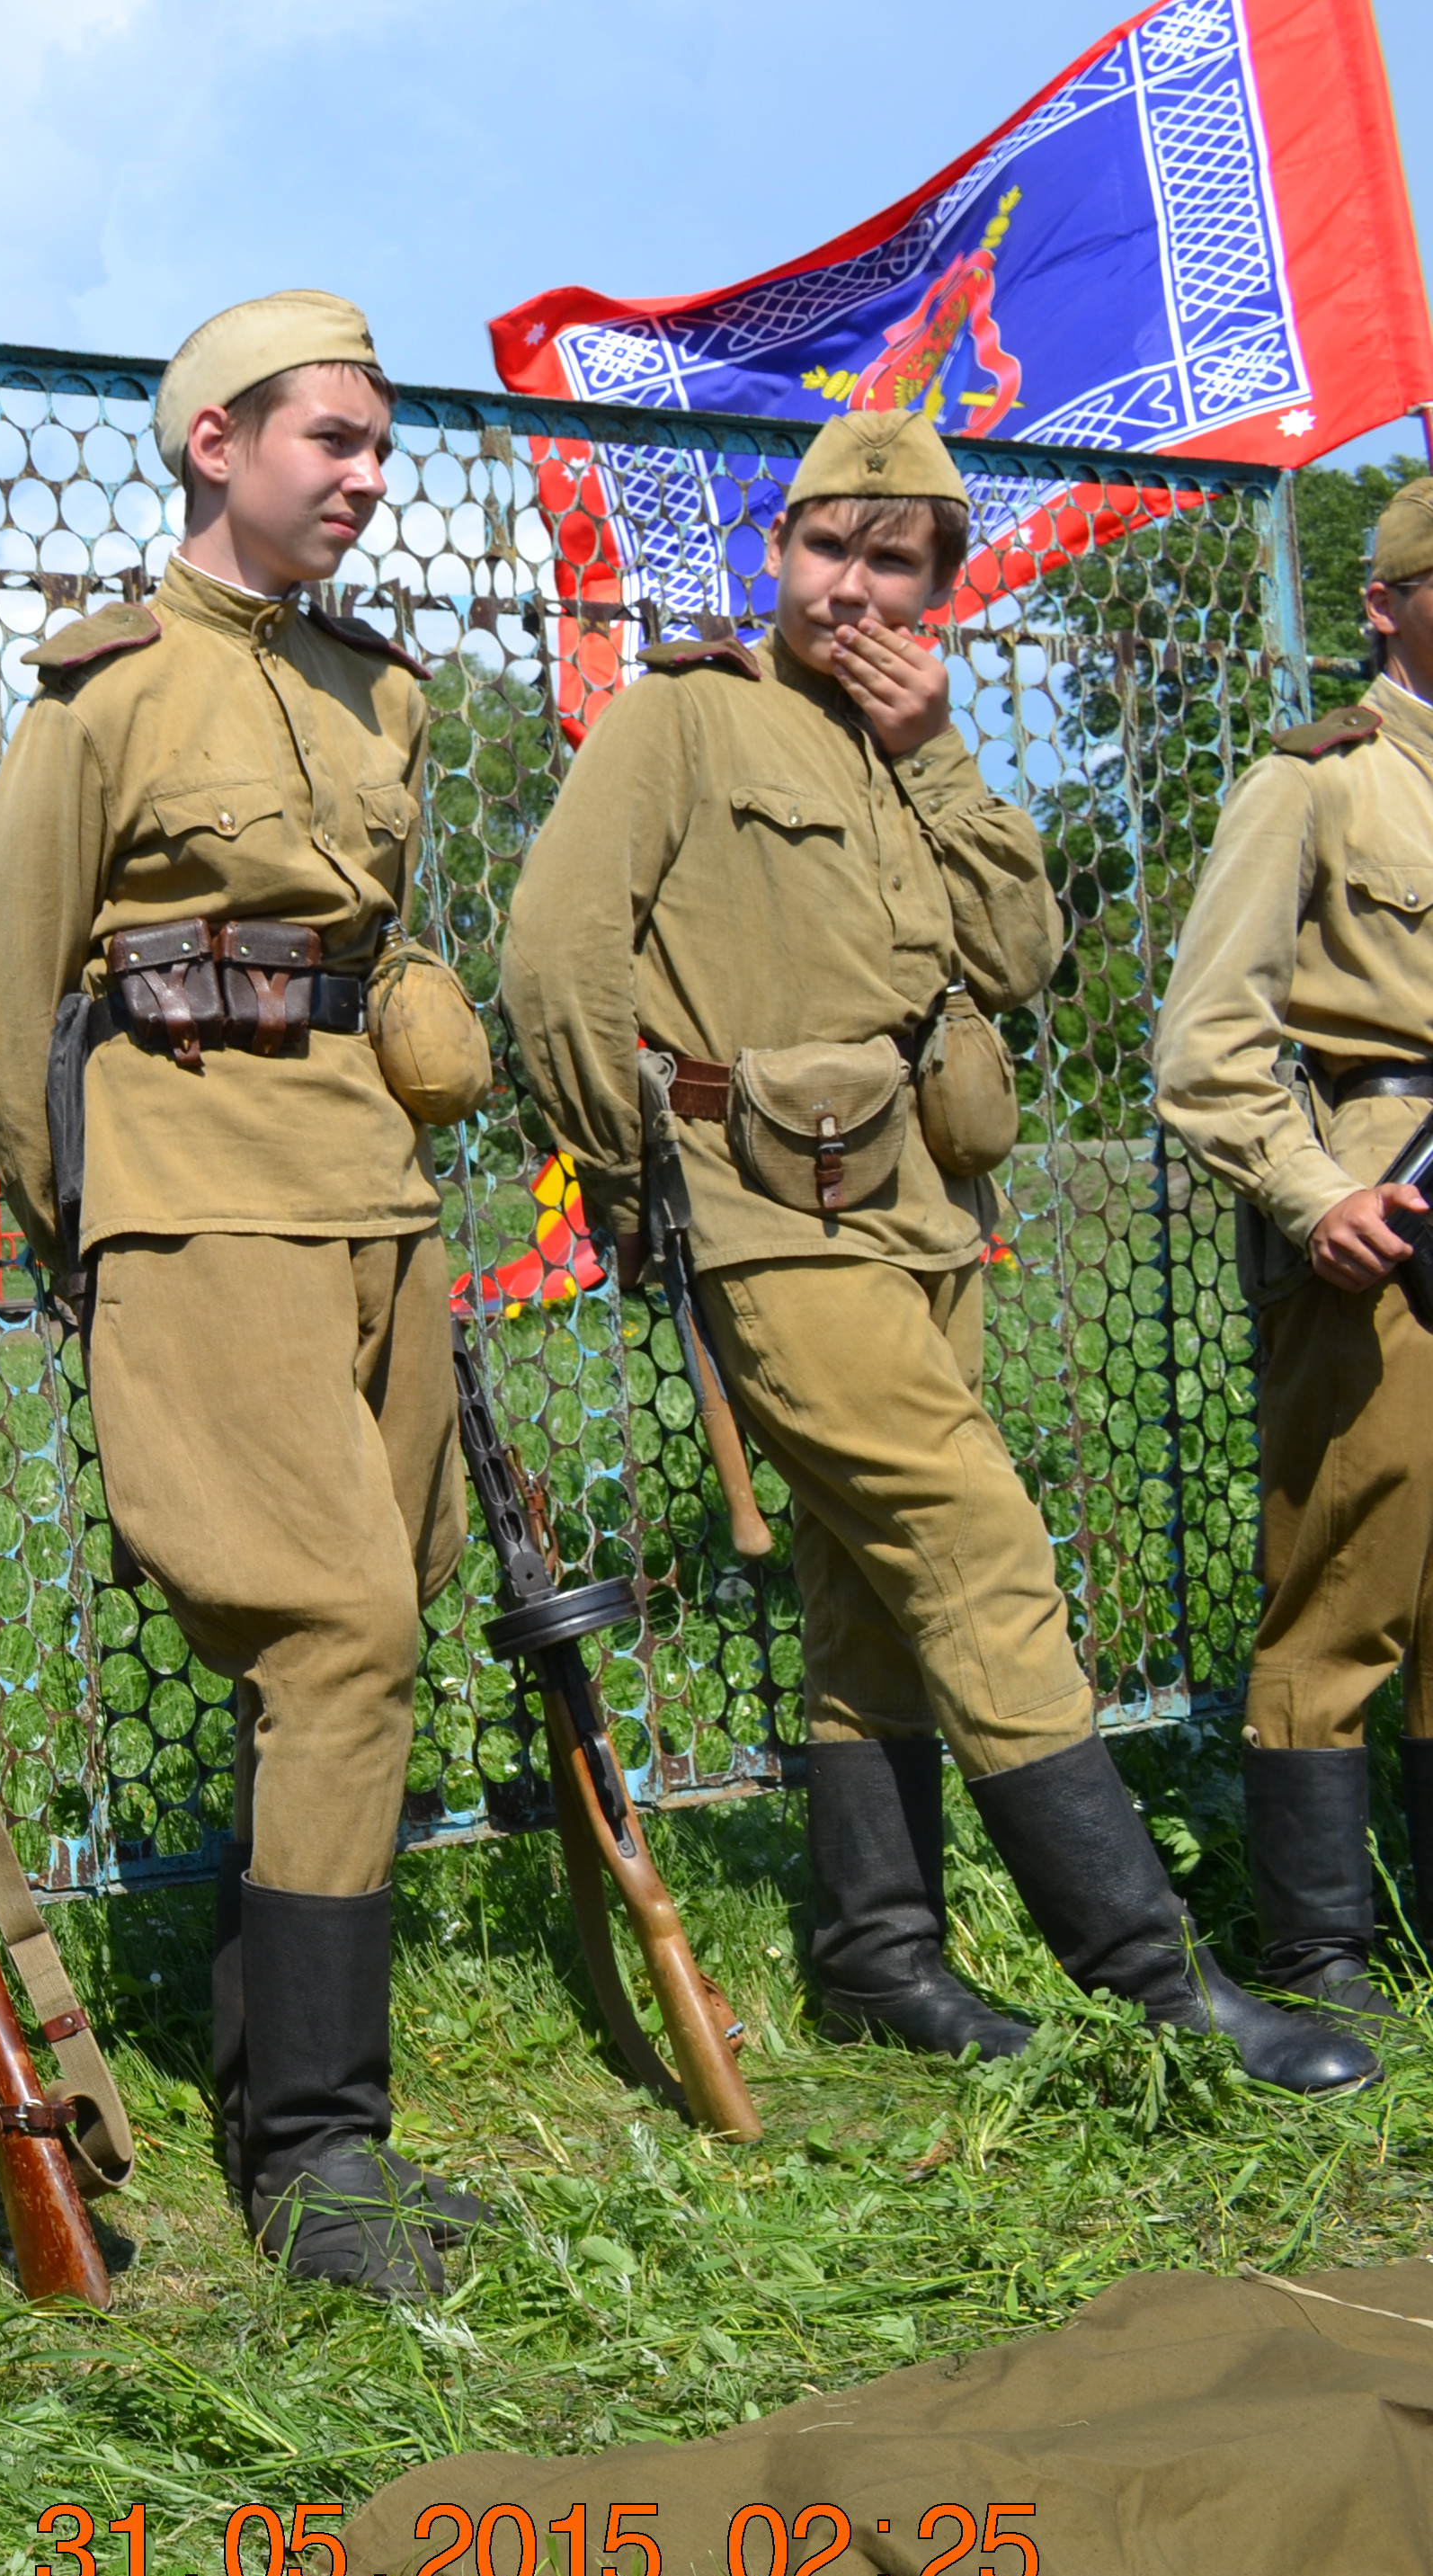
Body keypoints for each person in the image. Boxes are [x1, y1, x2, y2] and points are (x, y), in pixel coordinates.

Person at [503, 406, 1375, 2098]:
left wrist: (942, 755)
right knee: (977, 1543)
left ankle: (878, 1962)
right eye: (827, 549)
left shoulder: (916, 741)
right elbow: (555, 961)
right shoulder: (689, 716)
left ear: (939, 588)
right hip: (761, 1217)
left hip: (922, 1219)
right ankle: (1155, 1977)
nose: (851, 587)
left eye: (892, 563)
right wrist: (636, 1189)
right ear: (780, 554)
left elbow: (1025, 951)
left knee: (874, 1603)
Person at [0, 290, 488, 2297]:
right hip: (192, 1196)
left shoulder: (388, 696)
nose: (365, 477)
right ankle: (319, 2167)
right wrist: (91, 1235)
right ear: (214, 444)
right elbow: (10, 1009)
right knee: (336, 1629)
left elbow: (394, 946)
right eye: (329, 442)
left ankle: (297, 2104)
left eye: (375, 448)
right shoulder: (107, 690)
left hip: (373, 1187)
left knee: (379, 1623)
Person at [1150, 475, 1433, 2024]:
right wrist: (1315, 1197)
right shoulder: (1317, 784)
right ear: (1385, 602)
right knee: (1346, 1583)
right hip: (1382, 1230)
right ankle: (1318, 1958)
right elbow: (1208, 1043)